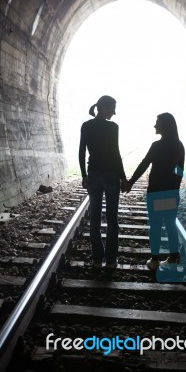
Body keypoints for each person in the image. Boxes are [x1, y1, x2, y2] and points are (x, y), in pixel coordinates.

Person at [126, 113, 185, 270]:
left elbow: (144, 164)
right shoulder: (179, 145)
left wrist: (130, 182)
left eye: (157, 123)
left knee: (156, 226)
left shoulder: (157, 146)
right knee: (170, 224)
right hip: (171, 192)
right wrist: (174, 188)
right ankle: (173, 258)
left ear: (165, 126)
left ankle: (154, 260)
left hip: (156, 191)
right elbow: (180, 171)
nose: (155, 126)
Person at [79, 95, 127, 269]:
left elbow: (82, 152)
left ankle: (97, 259)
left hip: (94, 175)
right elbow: (115, 153)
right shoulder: (113, 127)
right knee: (112, 219)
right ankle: (111, 261)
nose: (115, 112)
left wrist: (84, 174)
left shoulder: (86, 125)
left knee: (95, 219)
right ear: (104, 108)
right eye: (113, 108)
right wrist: (123, 176)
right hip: (111, 176)